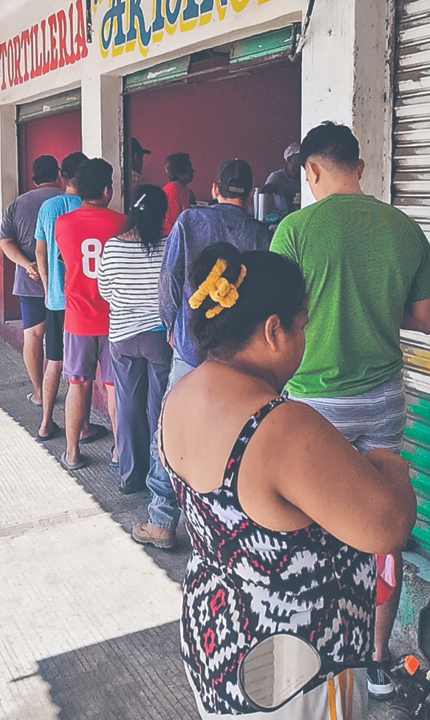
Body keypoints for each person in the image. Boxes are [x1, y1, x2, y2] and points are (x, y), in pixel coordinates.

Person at [160, 243, 416, 718]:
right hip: (293, 668)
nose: (304, 338)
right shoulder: (280, 426)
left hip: (216, 642)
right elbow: (389, 526)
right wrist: (390, 465)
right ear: (273, 330)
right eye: (301, 325)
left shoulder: (181, 393)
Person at [271, 121, 430, 701]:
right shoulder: (404, 228)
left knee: (306, 526)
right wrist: (370, 306)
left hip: (312, 404)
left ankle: (313, 648)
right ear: (359, 166)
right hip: (382, 402)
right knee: (381, 527)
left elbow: (276, 321)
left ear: (312, 170)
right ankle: (374, 659)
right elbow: (423, 320)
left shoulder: (294, 229)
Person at [130, 158, 271, 550]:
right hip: (240, 351)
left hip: (191, 346)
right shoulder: (262, 234)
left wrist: (173, 325)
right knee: (235, 434)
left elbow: (169, 278)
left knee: (172, 425)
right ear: (250, 193)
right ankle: (225, 524)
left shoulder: (190, 222)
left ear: (214, 188)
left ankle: (162, 519)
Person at [97, 184, 171, 494]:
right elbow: (175, 289)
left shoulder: (113, 246)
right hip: (159, 339)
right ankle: (161, 476)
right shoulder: (170, 245)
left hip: (123, 338)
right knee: (159, 408)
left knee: (127, 406)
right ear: (163, 214)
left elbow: (104, 291)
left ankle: (130, 476)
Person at [55, 158, 128, 471]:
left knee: (77, 384)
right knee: (114, 388)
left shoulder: (63, 223)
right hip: (115, 321)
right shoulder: (122, 223)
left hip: (78, 320)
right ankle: (119, 453)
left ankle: (72, 453)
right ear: (107, 189)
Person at [34, 152, 105, 445]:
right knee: (82, 374)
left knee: (54, 362)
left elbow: (40, 252)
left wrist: (49, 288)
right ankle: (84, 427)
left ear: (63, 176)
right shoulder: (91, 207)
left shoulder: (48, 207)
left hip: (55, 300)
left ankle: (46, 423)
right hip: (87, 302)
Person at [0, 155, 62, 407]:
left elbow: (5, 241)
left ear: (34, 178)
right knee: (66, 336)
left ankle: (39, 392)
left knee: (33, 336)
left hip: (30, 280)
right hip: (61, 281)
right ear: (58, 174)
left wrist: (27, 265)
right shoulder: (67, 200)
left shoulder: (17, 204)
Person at [260, 142, 303, 214]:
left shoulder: (305, 177)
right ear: (288, 160)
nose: (300, 160)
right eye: (297, 157)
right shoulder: (277, 177)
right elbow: (267, 190)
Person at [162, 152, 195, 234]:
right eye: (189, 168)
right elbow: (188, 219)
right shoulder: (186, 193)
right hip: (176, 234)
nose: (193, 170)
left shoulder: (164, 189)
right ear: (179, 173)